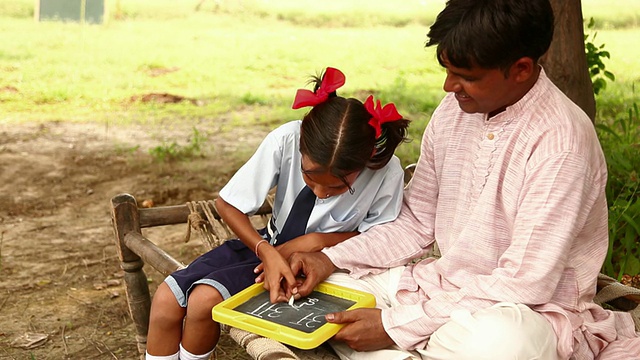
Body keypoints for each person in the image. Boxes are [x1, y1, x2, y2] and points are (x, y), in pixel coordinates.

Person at [286, 1, 640, 359]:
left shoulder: (561, 144)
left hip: (524, 312)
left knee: (502, 345)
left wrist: (397, 325)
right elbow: (416, 222)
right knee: (320, 293)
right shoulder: (454, 111)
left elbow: (525, 282)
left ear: (520, 69)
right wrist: (330, 259)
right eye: (447, 69)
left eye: (466, 76)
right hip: (438, 288)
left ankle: (400, 346)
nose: (448, 85)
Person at [144, 67, 411, 360]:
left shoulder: (385, 172)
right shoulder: (287, 139)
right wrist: (266, 251)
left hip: (324, 269)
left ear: (365, 162)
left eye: (337, 187)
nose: (321, 193)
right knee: (166, 300)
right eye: (309, 178)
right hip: (265, 246)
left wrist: (316, 241)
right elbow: (228, 204)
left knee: (203, 300)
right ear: (302, 144)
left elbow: (383, 238)